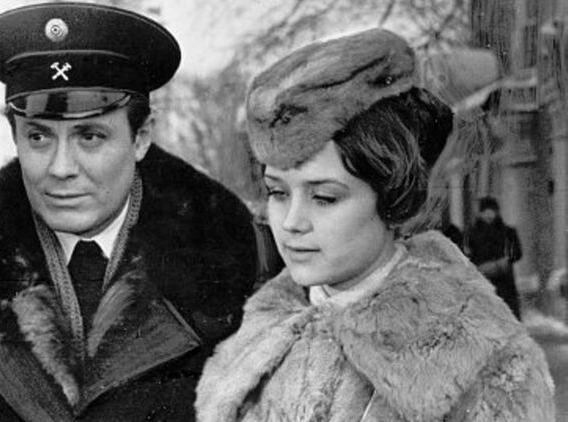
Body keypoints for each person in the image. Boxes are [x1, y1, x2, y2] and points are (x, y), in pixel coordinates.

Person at [0, 3, 261, 421]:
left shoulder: (249, 282)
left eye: (90, 136)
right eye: (39, 137)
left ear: (141, 138)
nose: (61, 168)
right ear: (15, 137)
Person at [196, 29, 554, 421]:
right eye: (278, 192)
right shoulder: (252, 345)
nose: (292, 223)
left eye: (324, 197)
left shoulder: (483, 362)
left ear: (392, 198)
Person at [466, 196, 523, 320]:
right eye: (485, 211)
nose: (488, 215)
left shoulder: (508, 232)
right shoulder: (471, 234)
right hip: (482, 281)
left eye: (491, 211)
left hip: (504, 284)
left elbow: (517, 253)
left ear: (496, 212)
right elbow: (466, 256)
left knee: (508, 317)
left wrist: (502, 263)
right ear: (480, 213)